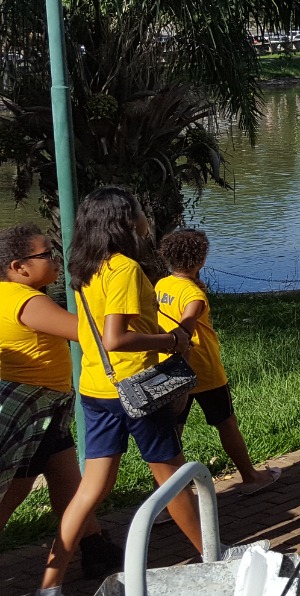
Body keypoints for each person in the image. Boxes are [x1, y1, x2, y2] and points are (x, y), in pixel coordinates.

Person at [40, 188, 206, 594]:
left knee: (91, 489)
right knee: (171, 479)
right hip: (136, 389)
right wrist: (170, 342)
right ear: (127, 222)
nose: (145, 217)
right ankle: (212, 556)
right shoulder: (124, 269)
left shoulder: (84, 267)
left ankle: (49, 584)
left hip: (97, 388)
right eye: (139, 211)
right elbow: (115, 337)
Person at [0, 225, 118, 580]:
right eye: (47, 255)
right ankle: (91, 552)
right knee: (11, 495)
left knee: (68, 481)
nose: (56, 261)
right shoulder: (27, 300)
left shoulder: (7, 294)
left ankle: (95, 548)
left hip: (46, 408)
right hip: (34, 411)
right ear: (20, 266)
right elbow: (88, 333)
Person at [155, 230, 279, 495]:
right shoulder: (193, 295)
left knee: (174, 428)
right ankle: (250, 477)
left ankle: (168, 495)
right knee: (226, 421)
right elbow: (187, 322)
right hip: (203, 369)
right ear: (200, 260)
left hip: (171, 367)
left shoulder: (162, 285)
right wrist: (186, 326)